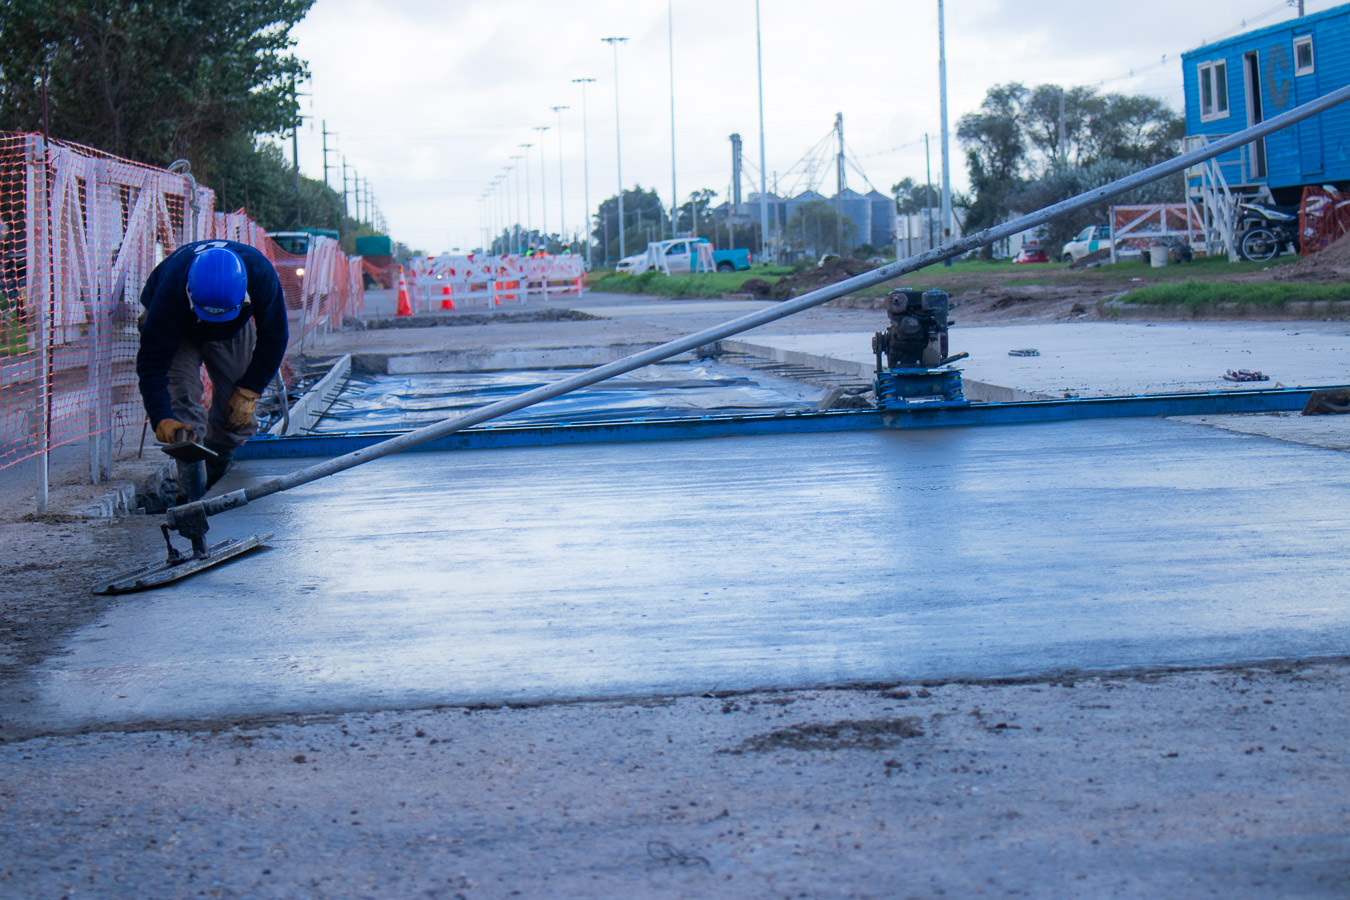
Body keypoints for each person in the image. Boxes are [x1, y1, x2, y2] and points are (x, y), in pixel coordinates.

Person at [136, 239, 288, 503]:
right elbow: (152, 363)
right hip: (180, 327)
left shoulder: (260, 275)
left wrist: (251, 388)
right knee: (182, 405)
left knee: (236, 414)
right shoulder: (169, 293)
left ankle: (218, 484)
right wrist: (161, 417)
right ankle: (191, 496)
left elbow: (275, 336)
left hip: (233, 326)